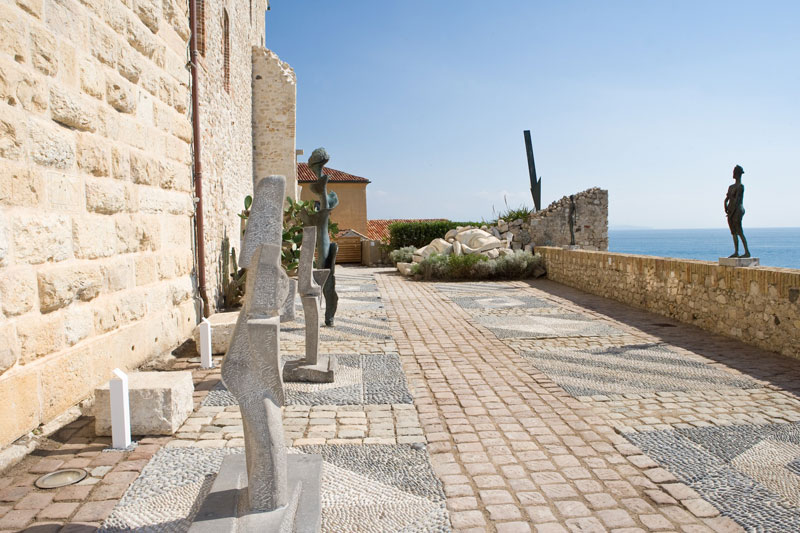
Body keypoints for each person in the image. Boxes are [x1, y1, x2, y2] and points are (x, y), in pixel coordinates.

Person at [724, 165, 750, 258]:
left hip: (738, 210)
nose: (733, 174)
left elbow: (736, 201)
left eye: (735, 172)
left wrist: (731, 211)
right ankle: (736, 251)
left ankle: (747, 252)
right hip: (731, 210)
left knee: (739, 230)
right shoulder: (731, 187)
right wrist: (726, 206)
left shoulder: (740, 187)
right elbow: (727, 199)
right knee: (733, 232)